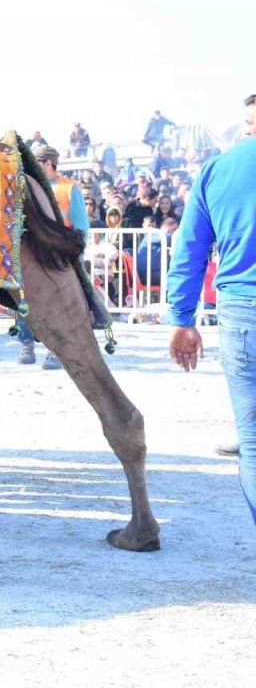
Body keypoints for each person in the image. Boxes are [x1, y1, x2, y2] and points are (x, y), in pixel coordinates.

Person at [166, 107, 256, 525]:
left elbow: (190, 248)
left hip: (242, 311)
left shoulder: (219, 169)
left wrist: (182, 318)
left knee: (253, 444)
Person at [18, 146, 89, 368]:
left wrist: (74, 256)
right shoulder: (25, 186)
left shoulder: (68, 188)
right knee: (22, 300)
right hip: (30, 255)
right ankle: (26, 343)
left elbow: (80, 225)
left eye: (36, 162)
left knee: (58, 305)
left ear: (48, 164)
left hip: (58, 257)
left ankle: (54, 350)